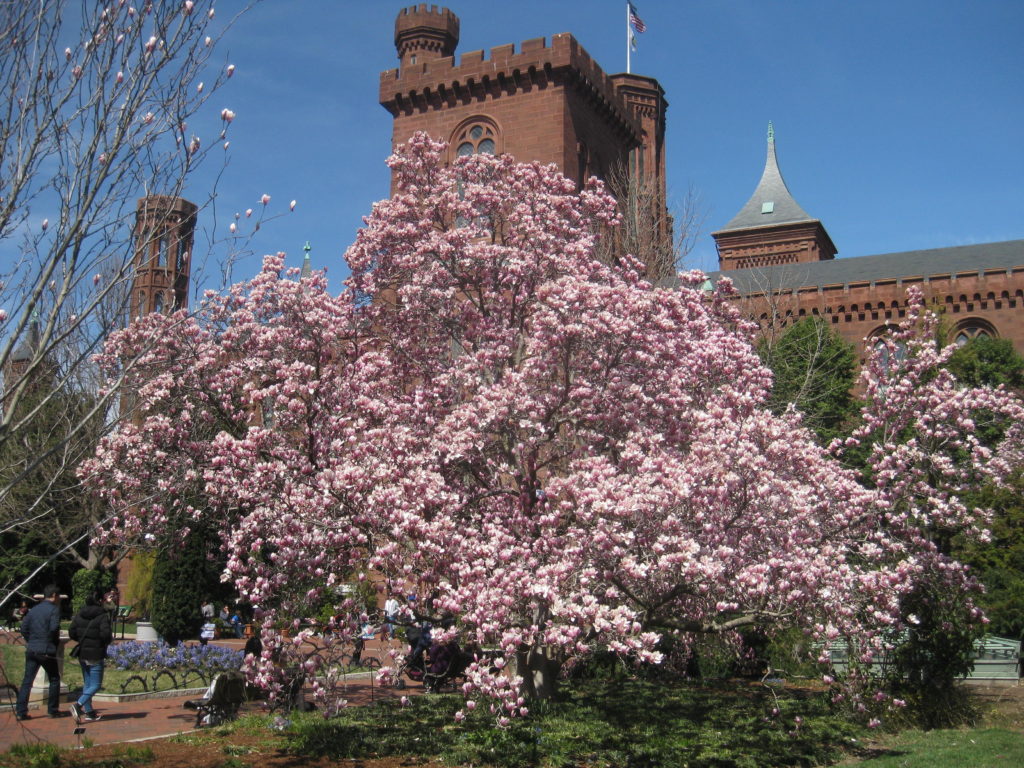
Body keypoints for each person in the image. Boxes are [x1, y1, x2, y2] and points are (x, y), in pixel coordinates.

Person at [15, 584, 63, 720]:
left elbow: (24, 628)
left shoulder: (34, 610)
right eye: (58, 596)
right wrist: (52, 642)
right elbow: (54, 628)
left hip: (32, 649)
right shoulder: (54, 610)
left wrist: (31, 641)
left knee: (27, 681)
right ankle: (52, 710)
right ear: (54, 596)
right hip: (46, 649)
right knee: (54, 678)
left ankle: (21, 711)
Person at [68, 590, 114, 722]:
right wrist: (102, 642)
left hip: (82, 652)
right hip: (95, 653)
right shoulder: (102, 616)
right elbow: (106, 635)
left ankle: (89, 712)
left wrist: (83, 639)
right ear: (99, 601)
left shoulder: (80, 614)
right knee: (96, 684)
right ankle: (78, 705)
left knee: (87, 683)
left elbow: (72, 632)